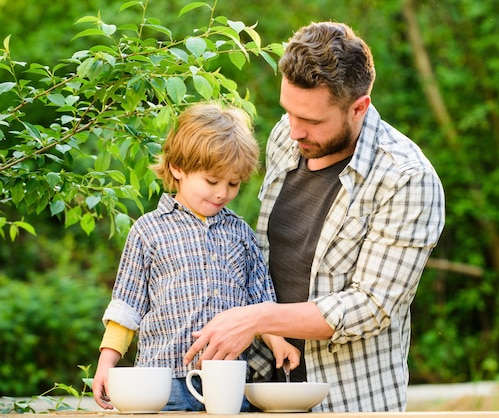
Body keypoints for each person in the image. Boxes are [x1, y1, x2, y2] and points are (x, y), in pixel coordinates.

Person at [184, 22, 445, 412]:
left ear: (359, 108)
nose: (294, 130)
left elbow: (370, 307)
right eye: (288, 111)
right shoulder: (284, 138)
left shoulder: (406, 179)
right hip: (260, 390)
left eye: (312, 121)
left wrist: (258, 318)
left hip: (344, 399)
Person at [92, 102, 300, 411]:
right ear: (178, 168)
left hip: (228, 382)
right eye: (212, 181)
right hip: (162, 382)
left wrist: (277, 340)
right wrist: (106, 363)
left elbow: (260, 301)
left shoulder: (240, 233)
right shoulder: (148, 231)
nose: (222, 193)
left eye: (233, 183)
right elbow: (127, 307)